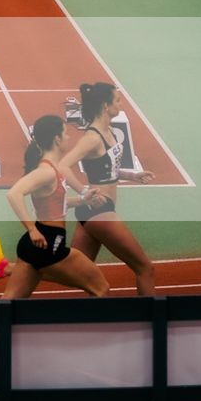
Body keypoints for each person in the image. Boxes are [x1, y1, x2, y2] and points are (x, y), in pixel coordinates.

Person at [0, 115, 108, 299]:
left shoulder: (53, 169)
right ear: (57, 139)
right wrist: (31, 229)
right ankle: (89, 327)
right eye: (65, 133)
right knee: (100, 288)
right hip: (48, 243)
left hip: (36, 246)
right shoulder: (46, 172)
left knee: (9, 305)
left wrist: (83, 200)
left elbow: (56, 204)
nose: (69, 138)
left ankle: (5, 268)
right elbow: (14, 194)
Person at [61, 82, 156, 295]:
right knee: (145, 268)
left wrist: (132, 175)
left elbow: (108, 169)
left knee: (74, 273)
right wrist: (84, 193)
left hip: (94, 212)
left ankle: (10, 270)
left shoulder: (109, 130)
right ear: (105, 106)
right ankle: (152, 323)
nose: (121, 104)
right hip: (99, 211)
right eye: (117, 100)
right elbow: (62, 166)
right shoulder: (92, 138)